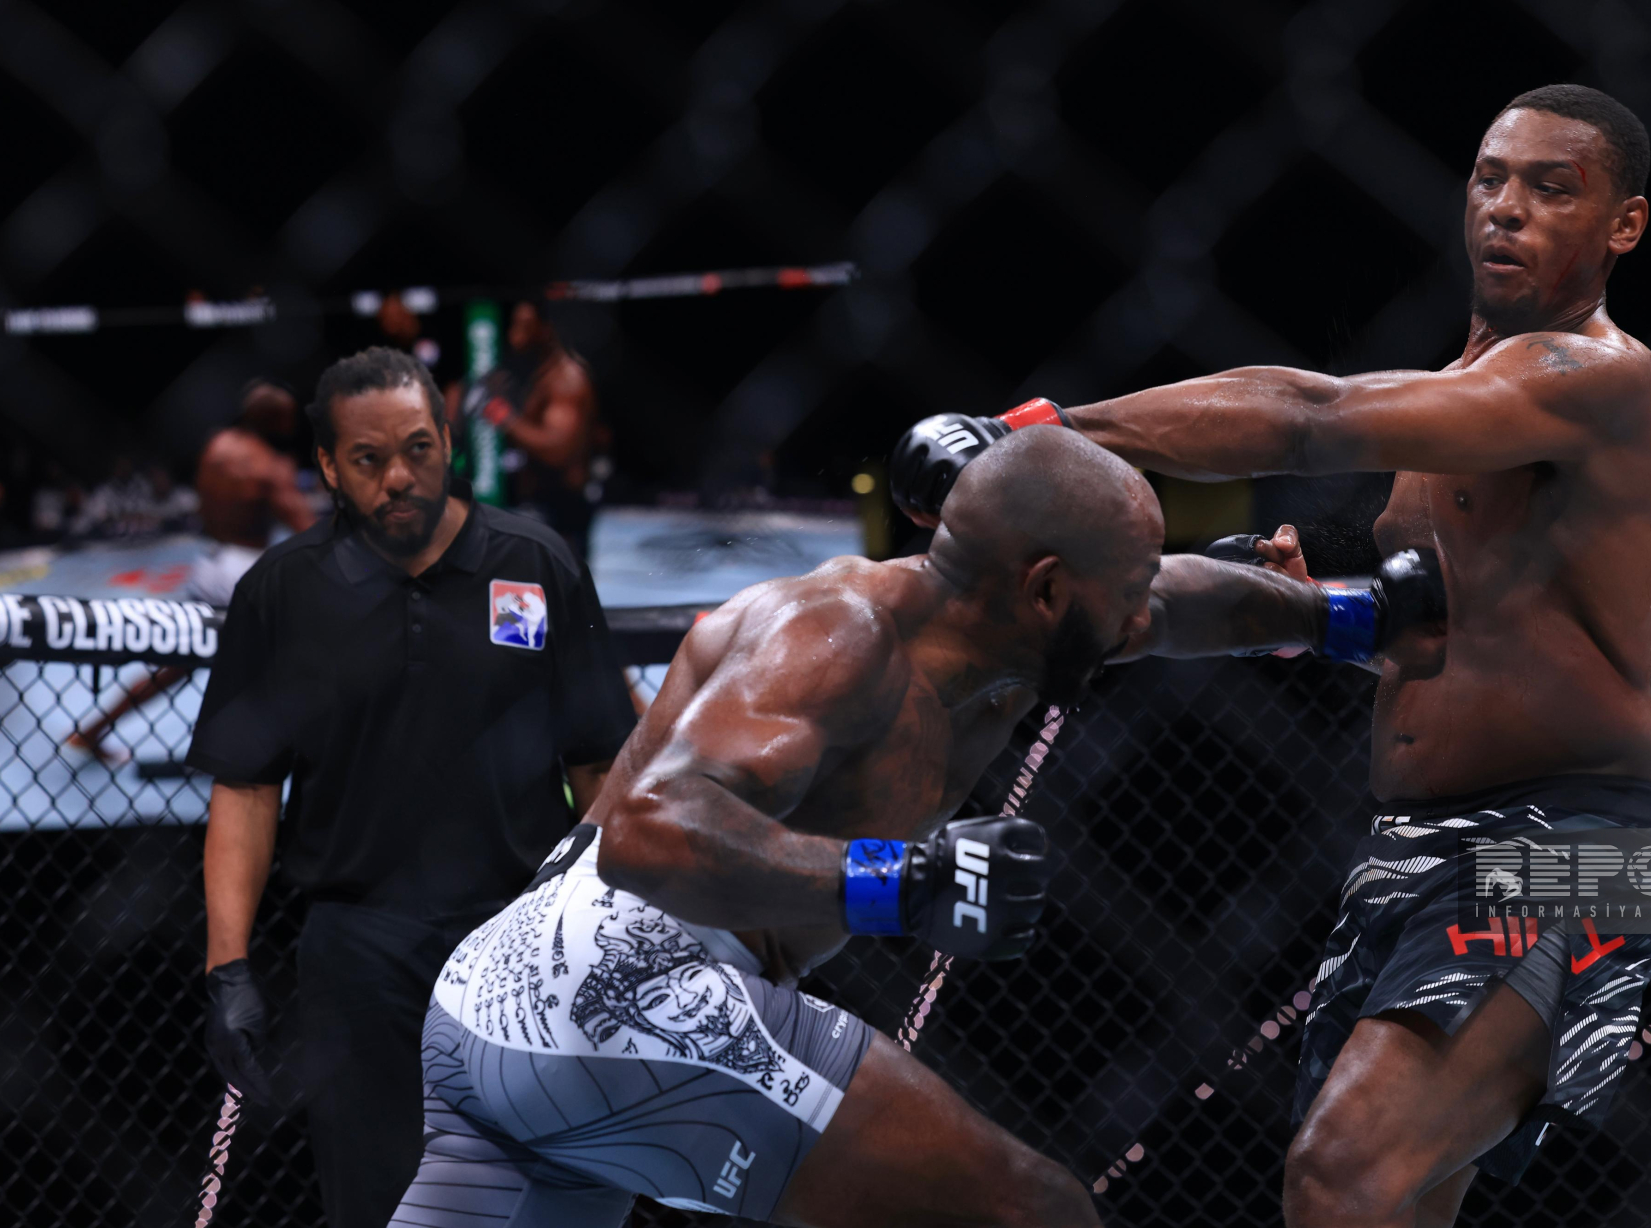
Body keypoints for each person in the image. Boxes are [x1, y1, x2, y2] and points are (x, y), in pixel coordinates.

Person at [887, 84, 1651, 1227]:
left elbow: (1312, 414)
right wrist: (1330, 615)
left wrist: (1035, 434)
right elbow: (1471, 652)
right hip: (1412, 840)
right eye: (1489, 178)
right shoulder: (1463, 394)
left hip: (1561, 842)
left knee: (1341, 1173)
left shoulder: (1599, 379)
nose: (1505, 207)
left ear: (1624, 224)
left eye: (1551, 188)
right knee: (1389, 1198)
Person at [387, 425, 1443, 1227]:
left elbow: (1185, 603)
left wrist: (1345, 618)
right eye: (1126, 593)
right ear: (1045, 588)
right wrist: (902, 881)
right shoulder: (836, 636)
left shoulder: (1025, 622)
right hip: (623, 977)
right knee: (1035, 1212)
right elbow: (647, 832)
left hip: (494, 1002)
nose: (1141, 617)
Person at [188, 347, 637, 1228]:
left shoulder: (534, 564)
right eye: (368, 458)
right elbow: (246, 790)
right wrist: (226, 968)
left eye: (418, 449)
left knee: (542, 1199)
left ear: (447, 444)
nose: (398, 477)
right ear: (328, 466)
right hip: (360, 948)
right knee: (376, 1203)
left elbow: (600, 770)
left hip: (523, 931)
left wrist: (615, 931)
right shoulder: (282, 591)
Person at [66, 382, 316, 763]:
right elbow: (307, 529)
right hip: (248, 569)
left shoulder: (216, 447)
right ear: (278, 420)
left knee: (179, 662)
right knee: (305, 646)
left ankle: (91, 731)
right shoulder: (270, 466)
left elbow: (205, 505)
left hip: (211, 562)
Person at [450, 301, 606, 559]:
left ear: (545, 330)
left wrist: (502, 416)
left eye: (524, 327)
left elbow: (558, 449)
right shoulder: (536, 375)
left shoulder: (566, 381)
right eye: (514, 327)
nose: (515, 337)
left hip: (564, 511)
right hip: (540, 507)